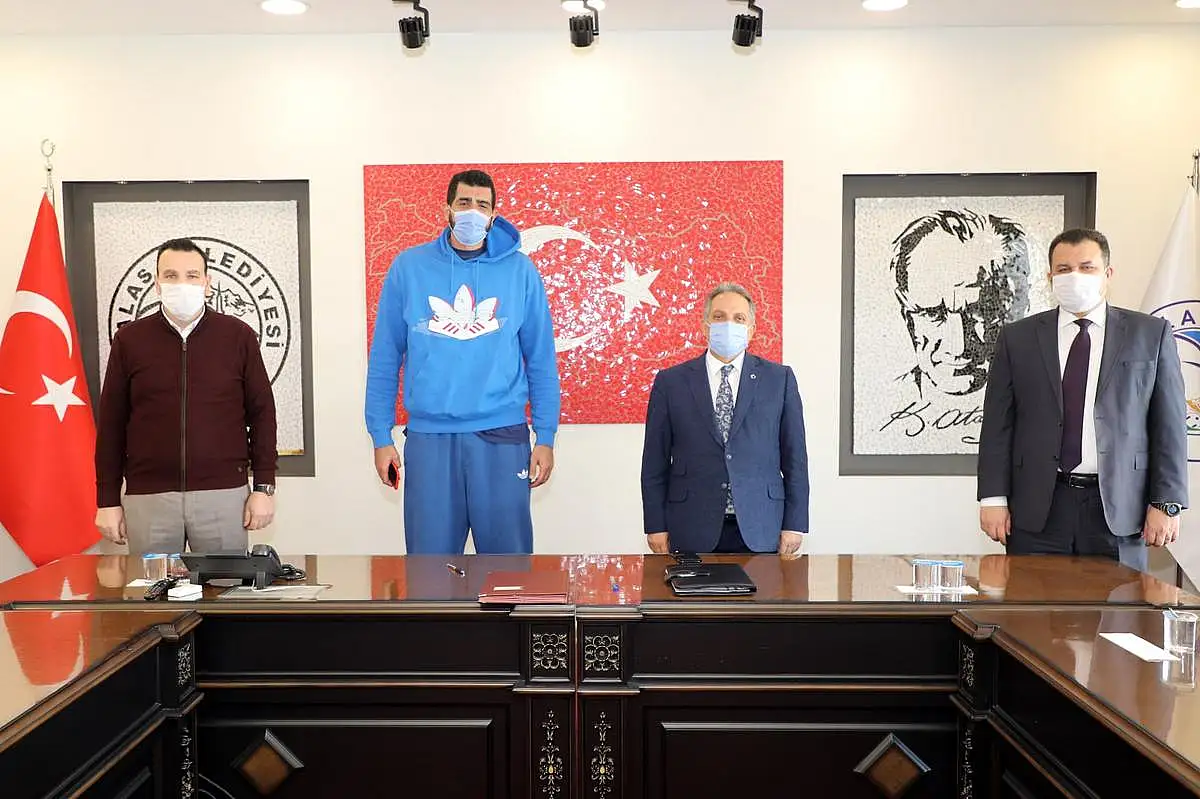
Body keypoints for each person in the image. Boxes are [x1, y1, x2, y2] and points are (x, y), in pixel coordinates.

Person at [365, 169, 560, 555]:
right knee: (429, 569)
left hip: (502, 437)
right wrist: (380, 436)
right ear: (448, 209)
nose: (473, 211)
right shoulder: (409, 268)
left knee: (508, 570)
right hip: (430, 440)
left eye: (482, 205)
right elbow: (385, 358)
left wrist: (546, 436)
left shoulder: (520, 271)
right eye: (464, 202)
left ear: (493, 214)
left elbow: (540, 358)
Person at [977, 228, 1188, 571]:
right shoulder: (1017, 338)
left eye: (1087, 267)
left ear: (1108, 273)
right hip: (1038, 509)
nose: (1074, 276)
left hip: (1120, 510)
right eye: (1064, 269)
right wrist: (992, 498)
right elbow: (998, 426)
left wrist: (1166, 503)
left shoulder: (1151, 334)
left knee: (1119, 604)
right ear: (1050, 277)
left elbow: (1169, 426)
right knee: (1031, 604)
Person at [94, 238, 277, 555]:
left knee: (225, 585)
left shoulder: (238, 336)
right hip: (148, 498)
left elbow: (263, 415)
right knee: (152, 586)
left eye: (192, 276)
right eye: (171, 276)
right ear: (157, 284)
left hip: (223, 495)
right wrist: (107, 500)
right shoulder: (129, 340)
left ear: (207, 283)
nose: (182, 284)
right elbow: (111, 425)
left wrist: (263, 487)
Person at [641, 282, 809, 555]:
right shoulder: (671, 382)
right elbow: (654, 462)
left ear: (751, 329)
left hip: (761, 525)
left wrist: (795, 523)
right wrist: (655, 525)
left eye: (739, 318)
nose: (729, 324)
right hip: (691, 525)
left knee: (763, 586)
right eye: (719, 317)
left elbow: (795, 459)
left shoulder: (779, 380)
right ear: (705, 326)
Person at [890, 209, 1031, 396]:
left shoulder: (1044, 394)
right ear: (909, 321)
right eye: (933, 314)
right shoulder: (885, 399)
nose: (958, 348)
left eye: (978, 312)